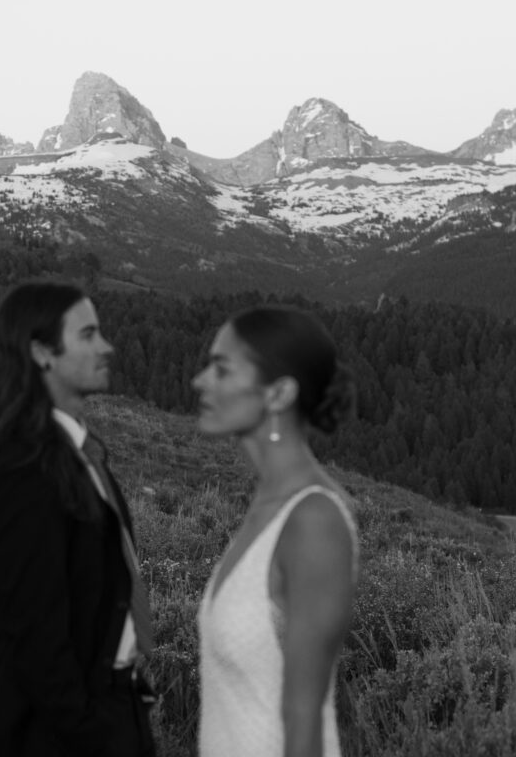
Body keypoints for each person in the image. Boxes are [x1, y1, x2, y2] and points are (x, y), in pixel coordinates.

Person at [0, 281, 156, 757]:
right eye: (88, 335)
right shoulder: (23, 474)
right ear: (42, 353)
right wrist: (94, 730)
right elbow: (37, 642)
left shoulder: (79, 459)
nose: (106, 346)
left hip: (113, 708)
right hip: (59, 738)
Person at [193, 304, 358, 757]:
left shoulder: (313, 520)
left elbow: (305, 717)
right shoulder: (267, 506)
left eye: (221, 370)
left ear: (279, 393)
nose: (200, 381)